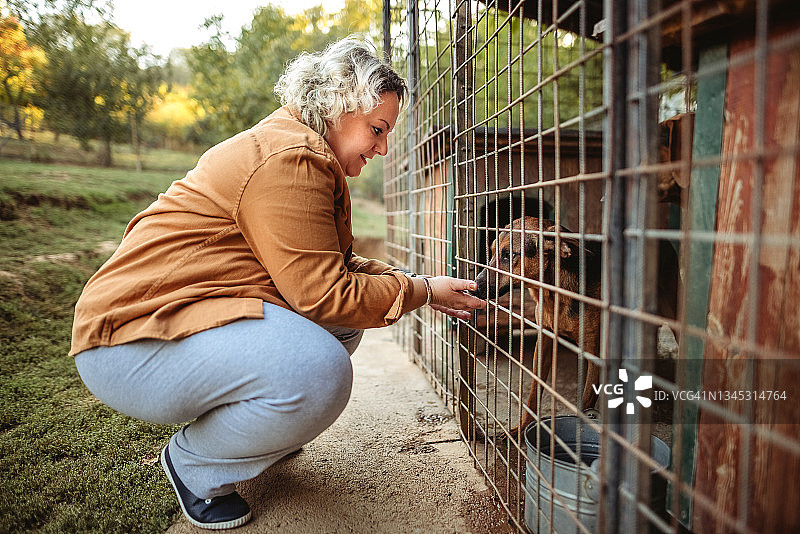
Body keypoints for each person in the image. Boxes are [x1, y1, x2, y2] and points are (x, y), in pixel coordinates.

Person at [69, 36, 485, 530]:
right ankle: (194, 464)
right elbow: (325, 294)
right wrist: (422, 292)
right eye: (377, 129)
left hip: (165, 325)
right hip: (126, 344)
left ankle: (263, 437)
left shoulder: (301, 148)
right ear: (338, 103)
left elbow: (336, 269)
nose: (384, 147)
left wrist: (417, 283)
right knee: (320, 370)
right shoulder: (291, 157)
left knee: (342, 329)